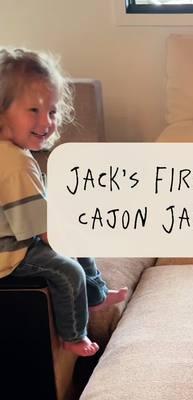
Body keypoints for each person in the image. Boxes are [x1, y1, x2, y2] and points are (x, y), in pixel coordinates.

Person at [0, 47, 128, 357]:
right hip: (8, 257)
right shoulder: (15, 163)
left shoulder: (12, 153)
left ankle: (95, 295)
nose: (46, 121)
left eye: (53, 111)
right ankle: (74, 334)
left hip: (15, 237)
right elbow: (43, 232)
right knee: (67, 269)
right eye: (34, 111)